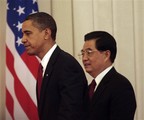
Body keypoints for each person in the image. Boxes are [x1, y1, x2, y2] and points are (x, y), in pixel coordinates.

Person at [22, 12, 88, 120]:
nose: (23, 39)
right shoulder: (46, 66)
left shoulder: (66, 65)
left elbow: (71, 114)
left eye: (28, 33)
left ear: (47, 33)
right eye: (23, 34)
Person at [79, 31, 136, 120]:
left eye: (89, 52)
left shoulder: (121, 86)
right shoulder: (90, 88)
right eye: (83, 53)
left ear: (106, 55)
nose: (84, 58)